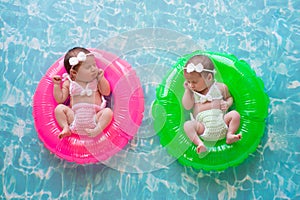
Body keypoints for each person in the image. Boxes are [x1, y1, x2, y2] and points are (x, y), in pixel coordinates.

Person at [182, 55, 241, 153]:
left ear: (209, 77)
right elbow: (187, 106)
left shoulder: (221, 88)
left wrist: (227, 104)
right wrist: (187, 91)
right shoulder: (192, 92)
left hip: (222, 122)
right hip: (203, 128)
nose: (191, 85)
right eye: (188, 81)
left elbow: (230, 98)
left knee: (235, 114)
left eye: (194, 82)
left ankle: (230, 134)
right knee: (188, 125)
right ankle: (200, 143)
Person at [52, 47, 113, 139]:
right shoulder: (69, 83)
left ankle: (97, 130)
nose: (93, 69)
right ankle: (65, 127)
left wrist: (101, 78)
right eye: (88, 67)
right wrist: (56, 85)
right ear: (74, 73)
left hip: (95, 117)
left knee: (108, 112)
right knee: (59, 109)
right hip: (74, 118)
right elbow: (60, 99)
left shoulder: (95, 80)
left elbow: (106, 92)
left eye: (94, 65)